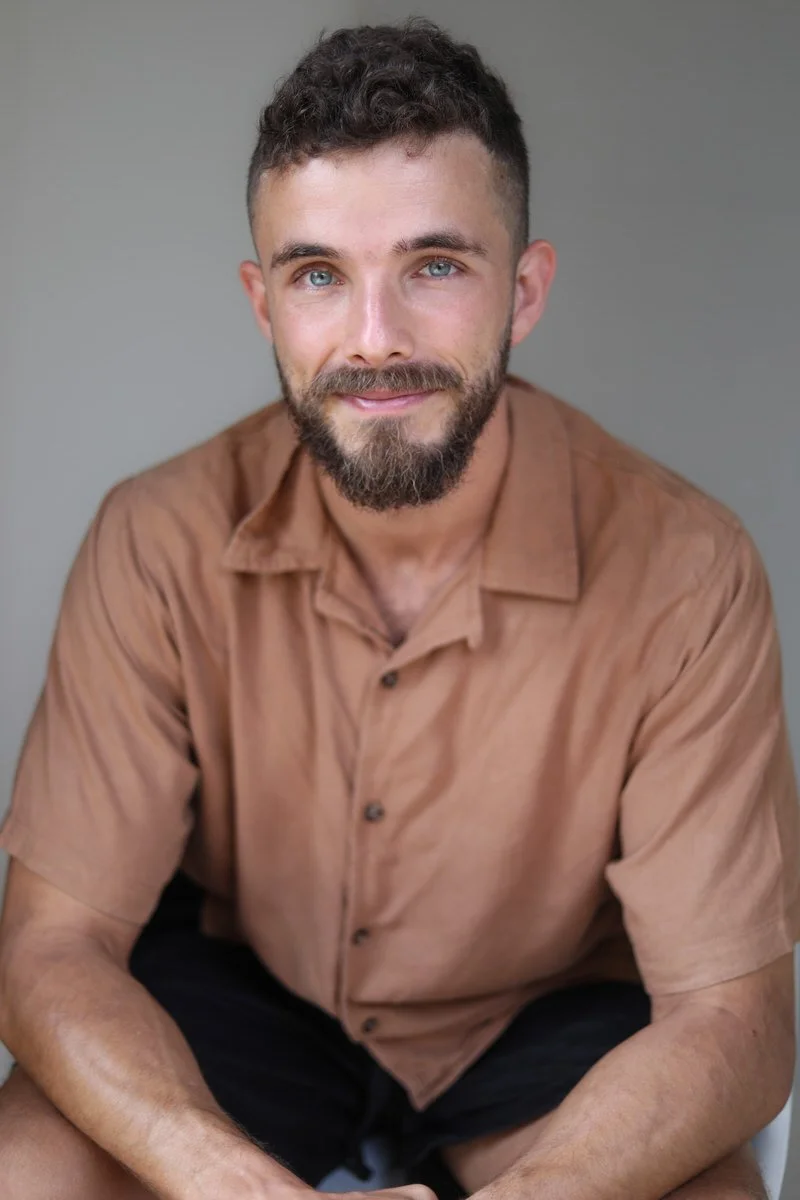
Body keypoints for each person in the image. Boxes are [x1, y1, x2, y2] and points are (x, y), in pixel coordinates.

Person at [0, 18, 796, 1200]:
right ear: (263, 303)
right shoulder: (154, 536)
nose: (374, 341)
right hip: (250, 1002)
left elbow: (734, 1018)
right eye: (318, 273)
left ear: (521, 293)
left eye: (433, 266)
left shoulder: (689, 569)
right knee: (25, 1169)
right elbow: (51, 948)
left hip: (540, 1032)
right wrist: (218, 1178)